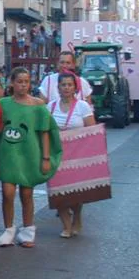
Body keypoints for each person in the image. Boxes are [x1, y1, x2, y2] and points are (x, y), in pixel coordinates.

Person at [0, 67, 62, 249]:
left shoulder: (38, 105)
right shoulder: (3, 104)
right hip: (9, 154)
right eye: (19, 81)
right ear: (12, 83)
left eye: (26, 82)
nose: (23, 85)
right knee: (7, 192)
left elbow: (45, 132)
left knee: (26, 192)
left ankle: (28, 231)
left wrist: (46, 158)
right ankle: (8, 230)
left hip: (29, 154)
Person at [47, 71, 98, 238]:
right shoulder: (51, 107)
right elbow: (45, 131)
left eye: (69, 85)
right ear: (58, 87)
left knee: (75, 192)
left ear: (75, 88)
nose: (66, 88)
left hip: (77, 155)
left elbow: (91, 132)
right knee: (58, 191)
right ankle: (66, 225)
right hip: (57, 155)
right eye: (63, 85)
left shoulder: (82, 106)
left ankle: (77, 216)